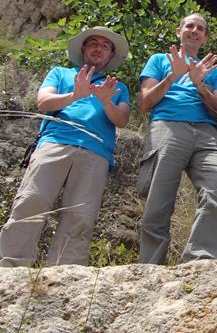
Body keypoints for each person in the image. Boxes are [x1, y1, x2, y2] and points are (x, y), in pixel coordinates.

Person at [0, 27, 130, 267]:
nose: (98, 47)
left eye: (105, 45)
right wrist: (75, 95)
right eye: (93, 43)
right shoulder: (60, 73)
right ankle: (10, 267)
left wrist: (105, 101)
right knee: (32, 201)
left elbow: (122, 119)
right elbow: (43, 101)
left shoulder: (117, 87)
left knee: (81, 215)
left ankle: (64, 273)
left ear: (111, 55)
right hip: (54, 142)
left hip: (96, 151)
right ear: (83, 49)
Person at [138, 13, 217, 264]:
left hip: (206, 130)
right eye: (190, 26)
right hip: (167, 125)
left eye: (200, 28)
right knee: (158, 200)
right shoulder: (159, 60)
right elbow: (145, 102)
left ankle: (199, 261)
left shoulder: (212, 70)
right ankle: (150, 267)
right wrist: (172, 76)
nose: (195, 30)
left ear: (205, 37)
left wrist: (200, 84)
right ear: (179, 32)